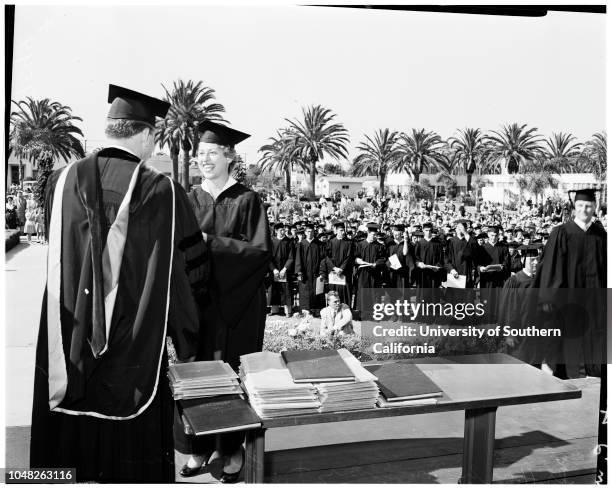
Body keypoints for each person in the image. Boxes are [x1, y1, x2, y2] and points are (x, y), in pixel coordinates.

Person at [30, 85, 207, 482]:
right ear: (147, 136)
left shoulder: (58, 183)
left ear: (110, 129)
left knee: (66, 462)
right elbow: (188, 278)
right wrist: (189, 338)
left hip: (69, 345)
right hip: (135, 351)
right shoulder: (165, 193)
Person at [181, 120, 272, 482]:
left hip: (239, 306)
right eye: (200, 154)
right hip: (199, 305)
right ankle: (200, 447)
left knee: (233, 376)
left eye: (212, 154)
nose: (204, 160)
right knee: (197, 376)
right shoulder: (189, 200)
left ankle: (231, 449)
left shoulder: (247, 200)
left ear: (229, 156)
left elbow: (259, 252)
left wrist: (210, 242)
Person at [534, 188, 606, 379]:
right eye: (581, 205)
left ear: (595, 207)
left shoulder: (601, 236)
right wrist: (548, 298)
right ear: (574, 207)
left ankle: (595, 390)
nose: (584, 209)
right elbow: (550, 268)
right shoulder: (561, 233)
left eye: (589, 206)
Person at [295, 222, 326, 315]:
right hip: (305, 273)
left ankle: (317, 311)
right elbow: (298, 259)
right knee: (305, 291)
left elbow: (323, 259)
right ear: (305, 232)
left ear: (314, 232)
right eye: (308, 231)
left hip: (317, 272)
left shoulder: (319, 244)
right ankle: (306, 311)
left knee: (318, 290)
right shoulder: (301, 244)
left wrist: (322, 272)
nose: (310, 233)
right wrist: (299, 272)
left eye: (311, 231)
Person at [321, 220, 354, 306]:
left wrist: (342, 268)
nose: (343, 232)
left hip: (345, 272)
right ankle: (333, 310)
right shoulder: (330, 242)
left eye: (344, 230)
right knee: (333, 293)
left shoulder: (349, 243)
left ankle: (345, 310)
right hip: (333, 273)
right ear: (335, 231)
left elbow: (349, 257)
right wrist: (334, 268)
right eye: (341, 230)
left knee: (345, 293)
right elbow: (327, 257)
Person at [268, 222, 295, 317]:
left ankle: (288, 311)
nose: (283, 231)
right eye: (281, 230)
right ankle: (274, 310)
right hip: (274, 270)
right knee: (274, 289)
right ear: (275, 231)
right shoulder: (271, 241)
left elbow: (291, 257)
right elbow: (268, 257)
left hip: (285, 270)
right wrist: (274, 269)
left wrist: (284, 269)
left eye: (284, 230)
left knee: (286, 290)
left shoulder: (289, 241)